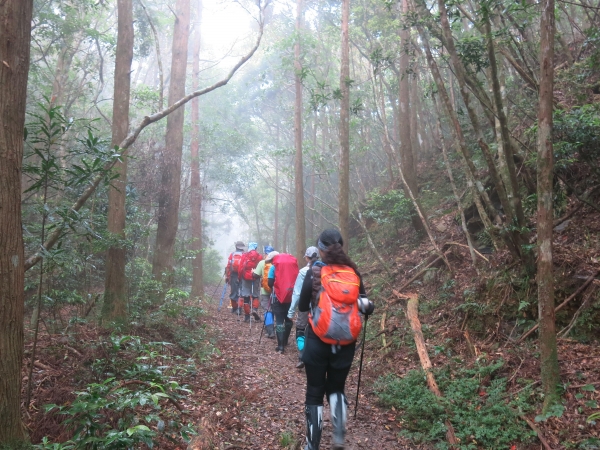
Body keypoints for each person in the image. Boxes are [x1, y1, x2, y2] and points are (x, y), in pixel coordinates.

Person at [297, 229, 374, 450]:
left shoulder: (314, 272)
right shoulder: (353, 273)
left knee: (314, 391)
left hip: (316, 340)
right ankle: (338, 434)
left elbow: (303, 306)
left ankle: (312, 444)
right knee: (337, 388)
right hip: (346, 343)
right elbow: (364, 305)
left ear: (320, 249)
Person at [288, 246, 319, 369]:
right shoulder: (325, 269)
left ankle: (302, 356)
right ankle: (314, 356)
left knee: (300, 329)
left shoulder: (303, 272)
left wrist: (291, 311)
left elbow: (297, 293)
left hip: (304, 306)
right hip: (320, 308)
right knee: (315, 331)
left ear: (307, 257)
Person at [267, 253, 299, 353]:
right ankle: (285, 341)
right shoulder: (294, 267)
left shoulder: (273, 267)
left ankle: (280, 346)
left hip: (277, 297)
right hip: (291, 297)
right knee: (288, 319)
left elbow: (269, 283)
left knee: (280, 321)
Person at [253, 246, 278, 338]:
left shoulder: (262, 263)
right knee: (275, 309)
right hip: (277, 291)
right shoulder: (278, 263)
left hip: (265, 290)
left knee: (267, 310)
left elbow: (255, 275)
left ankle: (270, 331)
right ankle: (277, 329)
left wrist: (253, 272)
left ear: (265, 254)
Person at [238, 242, 263, 323]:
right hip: (256, 277)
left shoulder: (245, 255)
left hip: (245, 278)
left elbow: (240, 267)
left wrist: (239, 277)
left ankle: (247, 316)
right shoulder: (259, 256)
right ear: (256, 248)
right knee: (255, 295)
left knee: (246, 296)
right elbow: (261, 267)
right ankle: (255, 309)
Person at [225, 241, 245, 314]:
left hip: (233, 275)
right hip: (242, 275)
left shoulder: (232, 254)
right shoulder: (244, 254)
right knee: (241, 292)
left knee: (234, 291)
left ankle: (234, 308)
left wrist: (227, 276)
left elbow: (228, 265)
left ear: (236, 247)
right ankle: (239, 309)